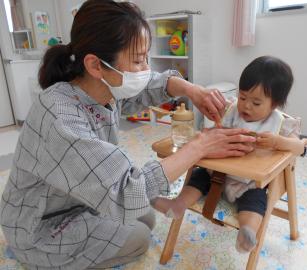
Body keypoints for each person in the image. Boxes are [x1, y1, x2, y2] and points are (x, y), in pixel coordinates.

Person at [0, 1, 256, 269]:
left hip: (80, 199)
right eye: (137, 60)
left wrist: (193, 90)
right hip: (40, 227)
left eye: (146, 57)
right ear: (96, 65)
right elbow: (125, 191)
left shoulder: (100, 88)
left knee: (146, 216)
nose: (146, 68)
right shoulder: (60, 115)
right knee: (139, 236)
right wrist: (198, 147)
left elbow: (149, 86)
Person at [153, 56, 307, 253]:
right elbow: (213, 127)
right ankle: (178, 205)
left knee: (256, 201)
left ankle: (247, 232)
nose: (246, 106)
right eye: (243, 97)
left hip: (249, 184)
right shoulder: (232, 109)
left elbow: (301, 148)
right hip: (216, 176)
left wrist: (279, 142)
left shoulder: (282, 124)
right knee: (198, 176)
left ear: (274, 104)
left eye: (256, 102)